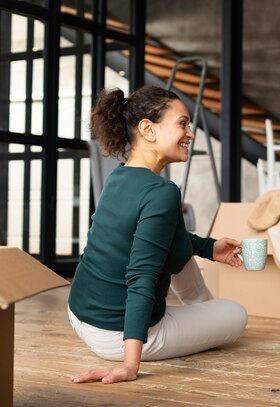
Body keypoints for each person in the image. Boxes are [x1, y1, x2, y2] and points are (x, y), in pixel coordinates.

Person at [68, 86, 248, 385]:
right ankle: (207, 316)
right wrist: (130, 365)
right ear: (148, 130)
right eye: (182, 124)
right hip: (116, 335)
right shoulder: (162, 192)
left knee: (172, 251)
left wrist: (210, 247)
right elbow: (142, 277)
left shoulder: (120, 175)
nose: (190, 133)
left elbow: (154, 238)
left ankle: (203, 314)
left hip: (80, 314)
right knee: (235, 314)